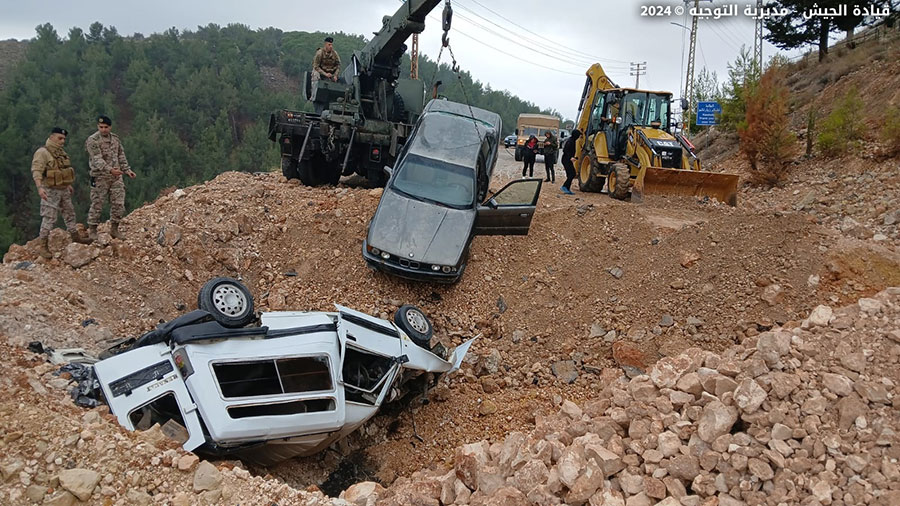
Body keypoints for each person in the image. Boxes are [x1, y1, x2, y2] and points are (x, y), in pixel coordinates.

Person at [31, 127, 92, 258]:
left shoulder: (60, 152)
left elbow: (63, 169)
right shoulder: (43, 152)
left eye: (64, 138)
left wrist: (68, 184)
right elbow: (37, 171)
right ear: (52, 137)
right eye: (60, 138)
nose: (62, 141)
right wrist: (39, 188)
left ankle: (75, 237)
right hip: (50, 190)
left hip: (63, 189)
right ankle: (43, 245)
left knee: (70, 213)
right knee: (49, 218)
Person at [85, 115, 136, 240]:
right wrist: (110, 170)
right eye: (101, 127)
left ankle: (114, 228)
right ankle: (92, 230)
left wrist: (127, 170)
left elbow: (121, 155)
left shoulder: (115, 139)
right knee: (97, 203)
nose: (103, 129)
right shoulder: (93, 140)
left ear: (110, 127)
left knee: (118, 203)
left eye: (106, 127)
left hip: (116, 177)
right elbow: (97, 159)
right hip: (100, 177)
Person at [560, 129, 582, 195]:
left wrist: (574, 157)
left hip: (567, 159)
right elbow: (565, 150)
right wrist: (570, 157)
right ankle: (564, 186)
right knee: (572, 174)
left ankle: (567, 189)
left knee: (570, 174)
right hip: (566, 159)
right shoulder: (570, 141)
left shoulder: (572, 140)